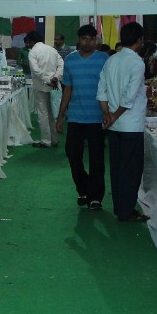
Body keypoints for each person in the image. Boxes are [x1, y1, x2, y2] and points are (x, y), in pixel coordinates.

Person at [97, 21, 148, 223]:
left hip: (113, 124)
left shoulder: (111, 60)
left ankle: (121, 206)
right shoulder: (136, 63)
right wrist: (114, 115)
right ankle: (126, 210)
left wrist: (106, 114)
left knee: (117, 168)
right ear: (140, 41)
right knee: (131, 170)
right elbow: (129, 96)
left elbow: (101, 90)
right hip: (130, 124)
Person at [56, 24, 109, 210]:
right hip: (76, 117)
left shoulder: (104, 59)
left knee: (97, 159)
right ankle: (83, 189)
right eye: (85, 39)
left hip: (97, 117)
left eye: (92, 38)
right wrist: (60, 116)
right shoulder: (70, 60)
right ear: (79, 40)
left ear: (96, 40)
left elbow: (109, 87)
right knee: (73, 155)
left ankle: (95, 197)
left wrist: (107, 113)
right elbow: (67, 89)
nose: (88, 42)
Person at [25, 31, 64, 148]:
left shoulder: (32, 52)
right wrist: (56, 77)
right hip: (54, 84)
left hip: (41, 86)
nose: (27, 45)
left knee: (43, 114)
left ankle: (46, 141)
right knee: (51, 113)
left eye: (27, 42)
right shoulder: (52, 49)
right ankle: (54, 139)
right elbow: (61, 64)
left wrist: (46, 80)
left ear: (32, 41)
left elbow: (35, 70)